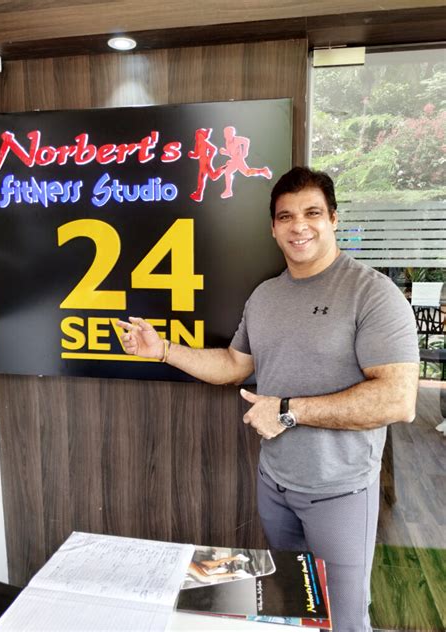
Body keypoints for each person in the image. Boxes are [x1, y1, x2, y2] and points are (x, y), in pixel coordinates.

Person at [117, 166, 419, 632]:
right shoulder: (265, 296)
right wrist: (163, 351)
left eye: (312, 213)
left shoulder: (371, 293)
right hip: (275, 484)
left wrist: (289, 411)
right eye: (286, 216)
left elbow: (398, 400)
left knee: (344, 619)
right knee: (293, 607)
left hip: (340, 491)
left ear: (333, 219)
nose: (299, 226)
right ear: (273, 228)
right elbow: (235, 364)